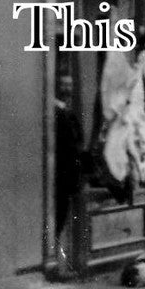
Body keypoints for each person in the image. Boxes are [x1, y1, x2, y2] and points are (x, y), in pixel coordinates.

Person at [54, 73, 84, 245]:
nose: (67, 89)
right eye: (64, 84)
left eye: (70, 85)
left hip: (67, 176)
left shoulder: (67, 110)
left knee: (62, 215)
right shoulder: (58, 111)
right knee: (59, 216)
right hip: (61, 175)